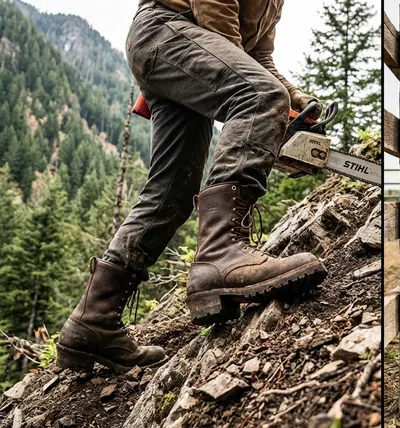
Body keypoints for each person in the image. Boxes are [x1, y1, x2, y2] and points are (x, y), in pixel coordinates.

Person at [55, 0, 327, 373]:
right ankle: (222, 252)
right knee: (260, 97)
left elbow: (260, 55)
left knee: (172, 191)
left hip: (181, 48)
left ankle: (94, 318)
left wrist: (296, 102)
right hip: (167, 34)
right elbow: (214, 12)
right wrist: (267, 100)